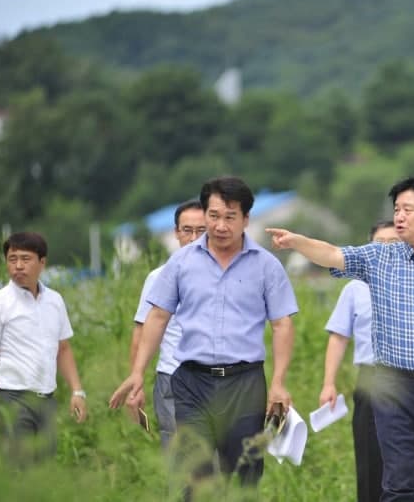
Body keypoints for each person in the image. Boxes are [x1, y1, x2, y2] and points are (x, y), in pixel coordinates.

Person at [267, 176, 414, 502]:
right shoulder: (381, 258)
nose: (400, 216)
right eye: (396, 209)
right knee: (399, 482)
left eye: (408, 209)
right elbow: (334, 254)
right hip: (393, 387)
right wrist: (298, 242)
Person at [109, 176, 298, 498]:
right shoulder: (180, 263)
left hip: (244, 383)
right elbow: (157, 316)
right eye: (214, 216)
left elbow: (282, 325)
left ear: (246, 220)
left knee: (242, 472)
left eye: (230, 217)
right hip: (191, 382)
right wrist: (138, 372)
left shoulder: (266, 266)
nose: (220, 225)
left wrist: (278, 382)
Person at [0, 231, 87, 465]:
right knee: (19, 471)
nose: (18, 266)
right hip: (11, 399)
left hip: (46, 399)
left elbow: (63, 349)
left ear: (42, 263)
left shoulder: (55, 301)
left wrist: (77, 391)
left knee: (43, 473)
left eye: (25, 259)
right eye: (12, 259)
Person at [319, 219, 398, 502]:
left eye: (395, 242)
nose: (388, 249)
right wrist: (329, 383)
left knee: (410, 458)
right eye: (381, 243)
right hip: (371, 377)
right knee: (370, 455)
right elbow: (339, 337)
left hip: (410, 376)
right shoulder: (355, 288)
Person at [126, 199, 206, 449]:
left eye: (201, 231)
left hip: (214, 379)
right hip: (172, 377)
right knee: (177, 457)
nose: (194, 238)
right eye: (187, 230)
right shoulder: (158, 277)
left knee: (213, 460)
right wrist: (134, 383)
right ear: (176, 233)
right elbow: (141, 331)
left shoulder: (223, 276)